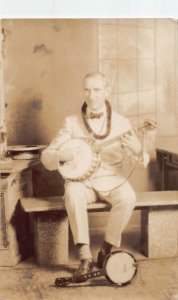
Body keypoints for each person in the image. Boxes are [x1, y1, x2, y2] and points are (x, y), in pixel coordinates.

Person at [41, 71, 149, 280]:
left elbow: (141, 161)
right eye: (87, 90)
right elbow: (46, 157)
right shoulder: (71, 122)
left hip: (112, 179)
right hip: (82, 182)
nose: (92, 95)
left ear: (107, 91)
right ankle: (84, 257)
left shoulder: (122, 123)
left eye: (97, 90)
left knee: (128, 197)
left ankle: (106, 250)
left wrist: (138, 150)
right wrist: (61, 155)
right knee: (72, 193)